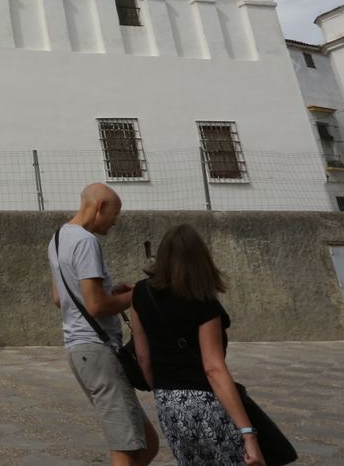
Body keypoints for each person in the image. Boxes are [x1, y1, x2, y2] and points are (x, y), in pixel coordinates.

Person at [129, 224, 265, 466]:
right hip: (206, 404)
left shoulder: (140, 292)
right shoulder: (202, 300)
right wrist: (248, 433)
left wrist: (162, 391)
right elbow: (213, 368)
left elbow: (142, 356)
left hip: (168, 403)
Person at [49, 183, 160, 466]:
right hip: (97, 350)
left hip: (80, 351)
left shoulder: (57, 238)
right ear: (100, 207)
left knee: (147, 443)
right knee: (128, 448)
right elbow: (96, 307)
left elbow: (59, 298)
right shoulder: (86, 241)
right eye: (115, 214)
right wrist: (141, 293)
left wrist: (112, 293)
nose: (115, 221)